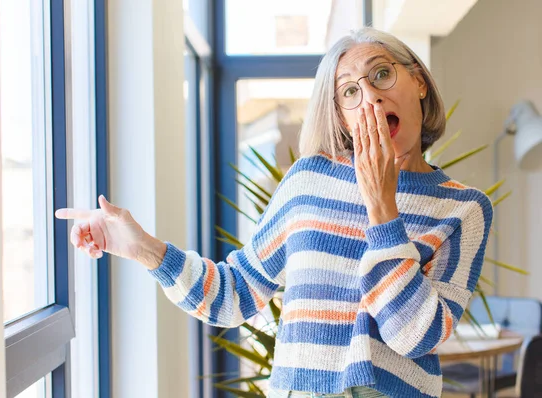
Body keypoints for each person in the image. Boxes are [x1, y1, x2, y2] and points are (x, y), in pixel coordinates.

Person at [55, 27, 493, 398]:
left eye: (382, 74)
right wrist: (144, 249)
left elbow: (415, 335)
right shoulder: (308, 180)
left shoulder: (465, 209)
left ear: (417, 81)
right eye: (350, 91)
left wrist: (382, 206)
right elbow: (232, 294)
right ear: (341, 116)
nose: (371, 99)